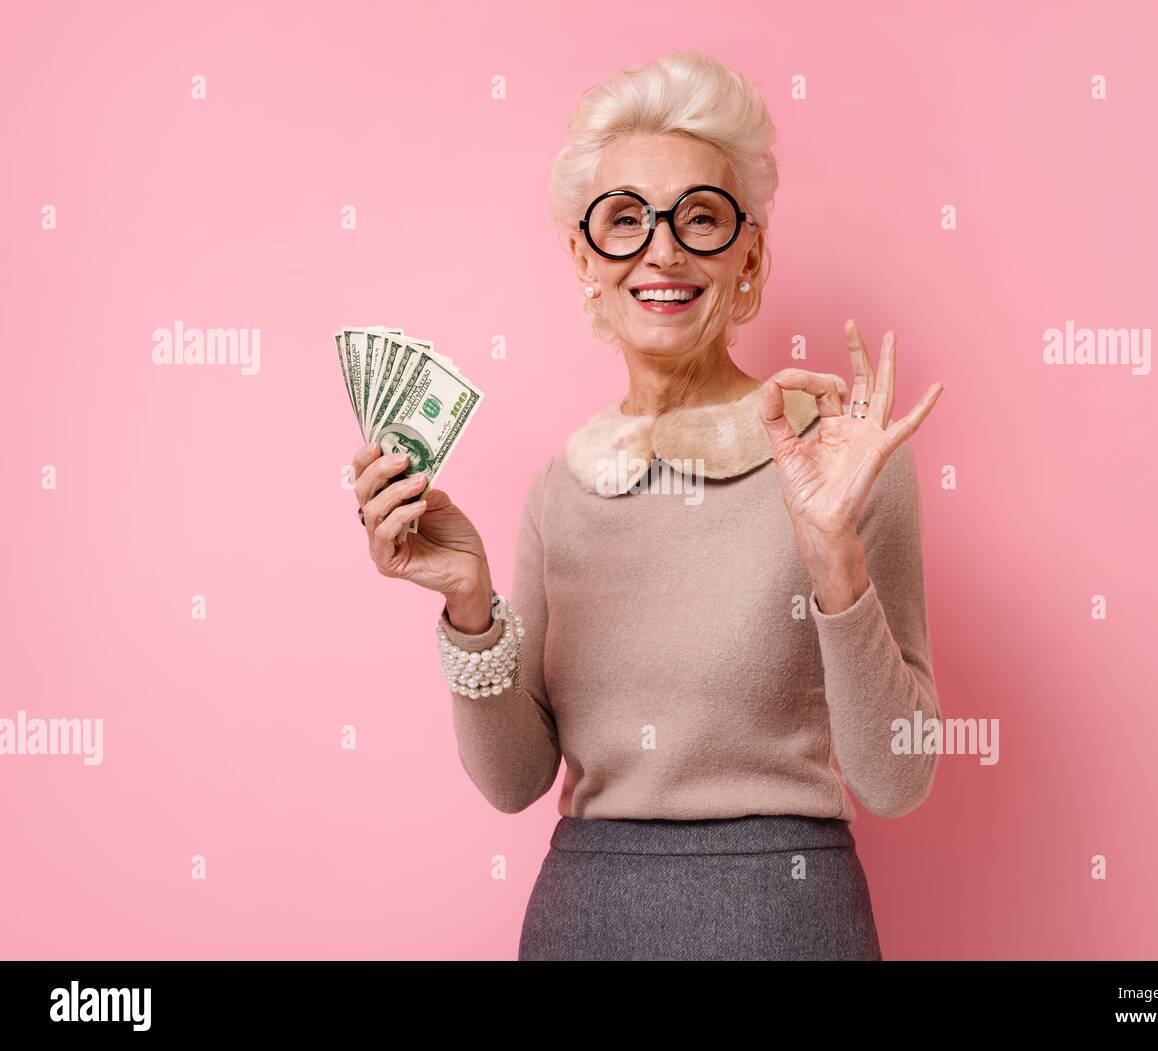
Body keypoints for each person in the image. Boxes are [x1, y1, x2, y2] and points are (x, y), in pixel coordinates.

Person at [350, 49, 945, 961]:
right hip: (587, 923)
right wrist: (469, 609)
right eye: (625, 220)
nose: (662, 249)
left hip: (788, 921)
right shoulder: (562, 488)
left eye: (698, 218)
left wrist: (832, 555)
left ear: (749, 253)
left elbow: (898, 778)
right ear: (586, 259)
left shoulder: (838, 457)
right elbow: (514, 782)